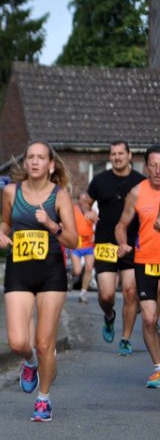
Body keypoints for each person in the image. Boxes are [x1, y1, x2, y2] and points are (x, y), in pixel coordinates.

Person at [0, 141, 77, 422]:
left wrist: (51, 224)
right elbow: (6, 222)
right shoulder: (11, 192)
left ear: (51, 165)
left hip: (51, 272)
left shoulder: (59, 196)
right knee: (18, 342)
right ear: (25, 162)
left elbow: (73, 240)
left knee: (44, 343)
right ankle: (29, 362)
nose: (34, 162)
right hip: (18, 270)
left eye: (41, 157)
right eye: (30, 157)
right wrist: (1, 233)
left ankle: (43, 399)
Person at [80, 140, 145, 356]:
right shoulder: (100, 180)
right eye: (113, 154)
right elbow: (85, 201)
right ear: (110, 157)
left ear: (129, 155)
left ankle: (125, 339)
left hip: (131, 244)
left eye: (120, 153)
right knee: (106, 295)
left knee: (130, 292)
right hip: (105, 243)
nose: (117, 157)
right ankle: (109, 316)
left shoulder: (140, 182)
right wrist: (87, 211)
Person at [115, 145, 160, 387]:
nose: (158, 170)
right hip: (145, 261)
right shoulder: (137, 192)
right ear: (146, 167)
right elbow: (121, 226)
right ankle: (159, 368)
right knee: (150, 319)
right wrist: (123, 244)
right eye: (153, 165)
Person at [69, 196, 95, 302]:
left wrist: (93, 217)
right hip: (76, 245)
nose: (84, 202)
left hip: (89, 245)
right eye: (82, 200)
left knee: (89, 267)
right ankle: (70, 275)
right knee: (77, 270)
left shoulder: (92, 211)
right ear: (78, 200)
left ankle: (83, 292)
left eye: (86, 200)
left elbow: (97, 221)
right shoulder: (72, 210)